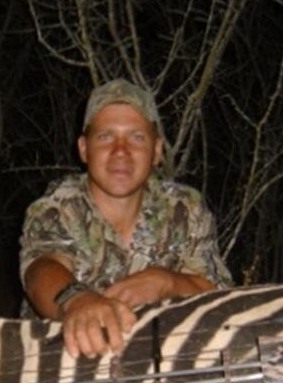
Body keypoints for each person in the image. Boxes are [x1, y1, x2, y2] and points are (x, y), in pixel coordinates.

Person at [20, 79, 233, 359]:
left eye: (136, 137)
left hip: (160, 360)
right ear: (84, 149)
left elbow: (216, 292)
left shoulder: (185, 207)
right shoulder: (56, 207)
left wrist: (166, 282)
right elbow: (40, 270)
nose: (121, 151)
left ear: (157, 151)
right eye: (106, 136)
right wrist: (77, 301)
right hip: (65, 361)